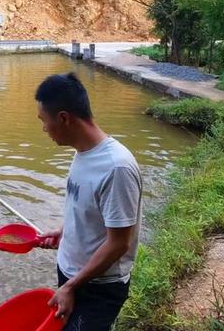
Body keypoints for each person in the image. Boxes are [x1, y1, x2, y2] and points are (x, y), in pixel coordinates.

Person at [35, 73, 143, 331]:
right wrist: (64, 232)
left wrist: (72, 286)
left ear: (63, 118)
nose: (44, 129)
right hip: (71, 273)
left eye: (44, 121)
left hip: (98, 287)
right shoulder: (82, 153)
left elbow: (118, 244)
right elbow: (87, 208)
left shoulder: (117, 168)